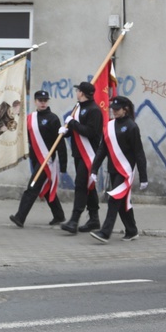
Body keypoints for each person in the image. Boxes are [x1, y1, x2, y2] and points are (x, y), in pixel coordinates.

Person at [89, 96, 148, 243]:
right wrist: (94, 169)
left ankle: (105, 232)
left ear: (125, 109)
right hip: (113, 170)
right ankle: (132, 231)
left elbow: (139, 152)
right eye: (112, 109)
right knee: (121, 202)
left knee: (114, 199)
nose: (114, 112)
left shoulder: (131, 127)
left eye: (117, 109)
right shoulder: (109, 126)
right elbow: (102, 149)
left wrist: (143, 176)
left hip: (125, 171)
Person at [9, 90, 67, 228]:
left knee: (32, 187)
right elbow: (26, 138)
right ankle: (59, 215)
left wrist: (63, 164)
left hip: (47, 160)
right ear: (35, 101)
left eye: (45, 100)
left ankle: (20, 217)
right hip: (35, 158)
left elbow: (60, 142)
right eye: (40, 100)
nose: (43, 103)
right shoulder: (31, 118)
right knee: (45, 188)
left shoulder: (53, 118)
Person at [59, 81, 103, 235]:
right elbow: (76, 130)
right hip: (78, 153)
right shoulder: (78, 107)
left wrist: (73, 124)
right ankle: (94, 219)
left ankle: (74, 220)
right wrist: (66, 132)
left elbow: (89, 132)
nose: (76, 92)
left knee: (80, 185)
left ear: (82, 93)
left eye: (78, 90)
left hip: (90, 154)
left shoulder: (94, 111)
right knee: (88, 186)